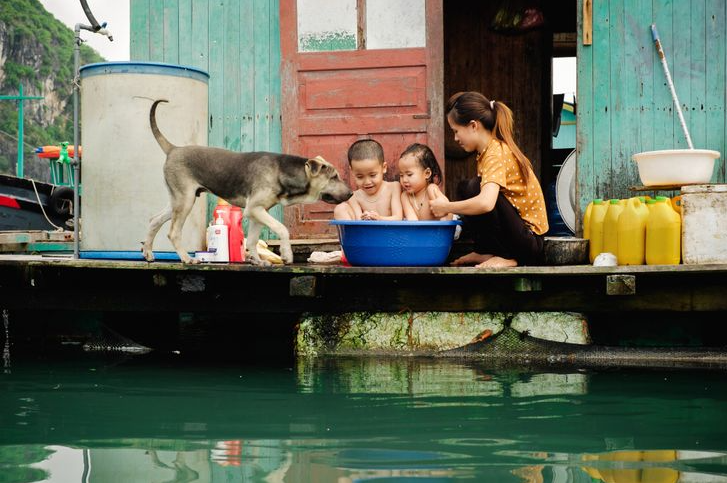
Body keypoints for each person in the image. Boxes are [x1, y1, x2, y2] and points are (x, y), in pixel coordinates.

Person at [429, 91, 548, 268]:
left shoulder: (495, 153)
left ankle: (511, 259)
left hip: (529, 244)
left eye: (456, 131)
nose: (455, 138)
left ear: (473, 126)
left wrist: (446, 207)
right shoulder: (486, 152)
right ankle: (486, 251)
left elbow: (486, 204)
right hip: (520, 237)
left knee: (476, 189)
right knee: (467, 187)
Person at [333, 139, 403, 221]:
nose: (367, 182)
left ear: (384, 168)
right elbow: (358, 222)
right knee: (340, 208)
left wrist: (379, 218)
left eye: (372, 175)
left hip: (390, 232)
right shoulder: (354, 197)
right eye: (360, 177)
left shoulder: (393, 187)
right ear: (352, 171)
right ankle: (349, 234)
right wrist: (365, 218)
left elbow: (398, 218)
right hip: (365, 232)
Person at [398, 143, 451, 221]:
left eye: (409, 175)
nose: (404, 180)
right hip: (420, 232)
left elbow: (448, 213)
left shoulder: (431, 189)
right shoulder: (405, 196)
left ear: (427, 173)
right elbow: (412, 222)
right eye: (401, 175)